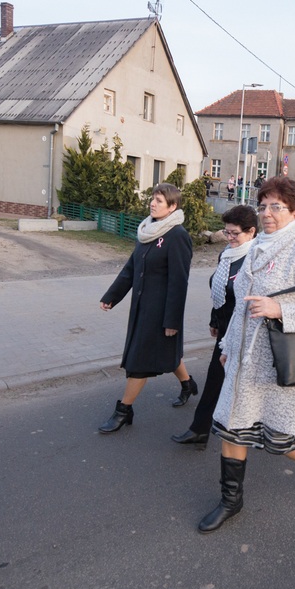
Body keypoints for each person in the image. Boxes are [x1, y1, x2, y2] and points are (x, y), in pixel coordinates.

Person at [197, 177, 295, 533]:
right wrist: (227, 347)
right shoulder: (256, 246)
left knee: (281, 440)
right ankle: (231, 500)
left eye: (276, 206)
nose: (267, 213)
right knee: (232, 428)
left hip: (278, 363)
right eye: (263, 206)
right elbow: (241, 307)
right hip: (243, 362)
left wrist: (280, 310)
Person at [98, 183, 196, 433]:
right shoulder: (147, 231)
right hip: (141, 309)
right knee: (166, 352)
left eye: (159, 201)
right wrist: (112, 296)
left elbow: (179, 282)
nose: (152, 203)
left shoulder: (178, 235)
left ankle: (124, 410)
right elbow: (131, 269)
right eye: (153, 198)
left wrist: (172, 321)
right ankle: (188, 384)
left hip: (161, 313)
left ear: (172, 207)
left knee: (140, 360)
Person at [171, 206, 259, 448]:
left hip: (245, 333)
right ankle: (200, 429)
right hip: (225, 329)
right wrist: (214, 320)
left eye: (234, 233)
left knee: (247, 387)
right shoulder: (227, 254)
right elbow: (220, 290)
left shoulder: (256, 259)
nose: (229, 238)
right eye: (226, 232)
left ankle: (283, 436)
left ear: (251, 231)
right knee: (215, 379)